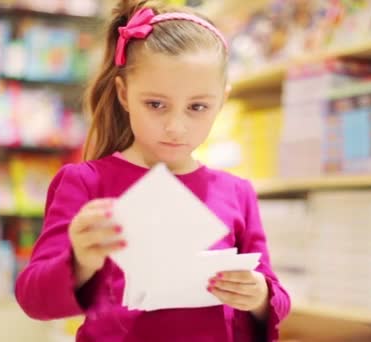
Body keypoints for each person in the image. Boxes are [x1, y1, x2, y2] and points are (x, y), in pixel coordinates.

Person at [15, 1, 291, 341]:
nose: (176, 126)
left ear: (221, 101)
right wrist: (81, 261)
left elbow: (275, 296)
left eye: (197, 107)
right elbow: (33, 299)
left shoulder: (237, 192)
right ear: (124, 94)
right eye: (156, 104)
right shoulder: (85, 183)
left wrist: (260, 296)